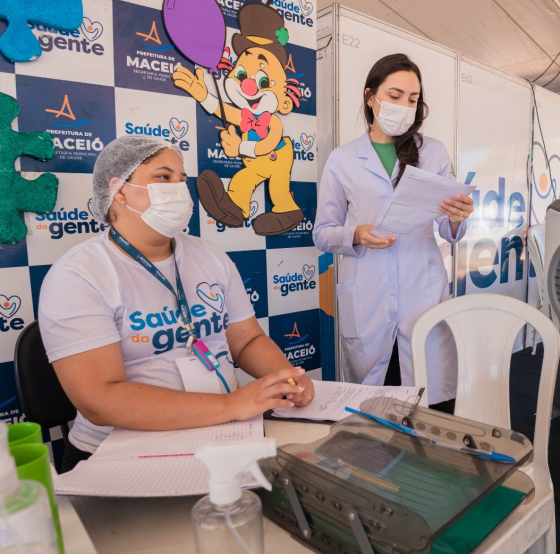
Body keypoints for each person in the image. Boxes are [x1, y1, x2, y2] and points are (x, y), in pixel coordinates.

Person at [38, 136, 315, 472]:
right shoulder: (79, 274)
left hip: (226, 433)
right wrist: (232, 404)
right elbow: (101, 399)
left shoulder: (210, 255)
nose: (180, 188)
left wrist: (287, 379)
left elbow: (247, 340)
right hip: (119, 453)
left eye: (182, 179)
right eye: (163, 177)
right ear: (119, 190)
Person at [313, 54, 474, 411]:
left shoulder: (432, 152)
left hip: (422, 294)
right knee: (375, 410)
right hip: (368, 296)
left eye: (413, 99)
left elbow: (449, 231)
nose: (405, 106)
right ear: (371, 97)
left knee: (428, 406)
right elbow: (322, 233)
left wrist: (457, 217)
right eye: (396, 95)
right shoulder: (342, 159)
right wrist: (357, 234)